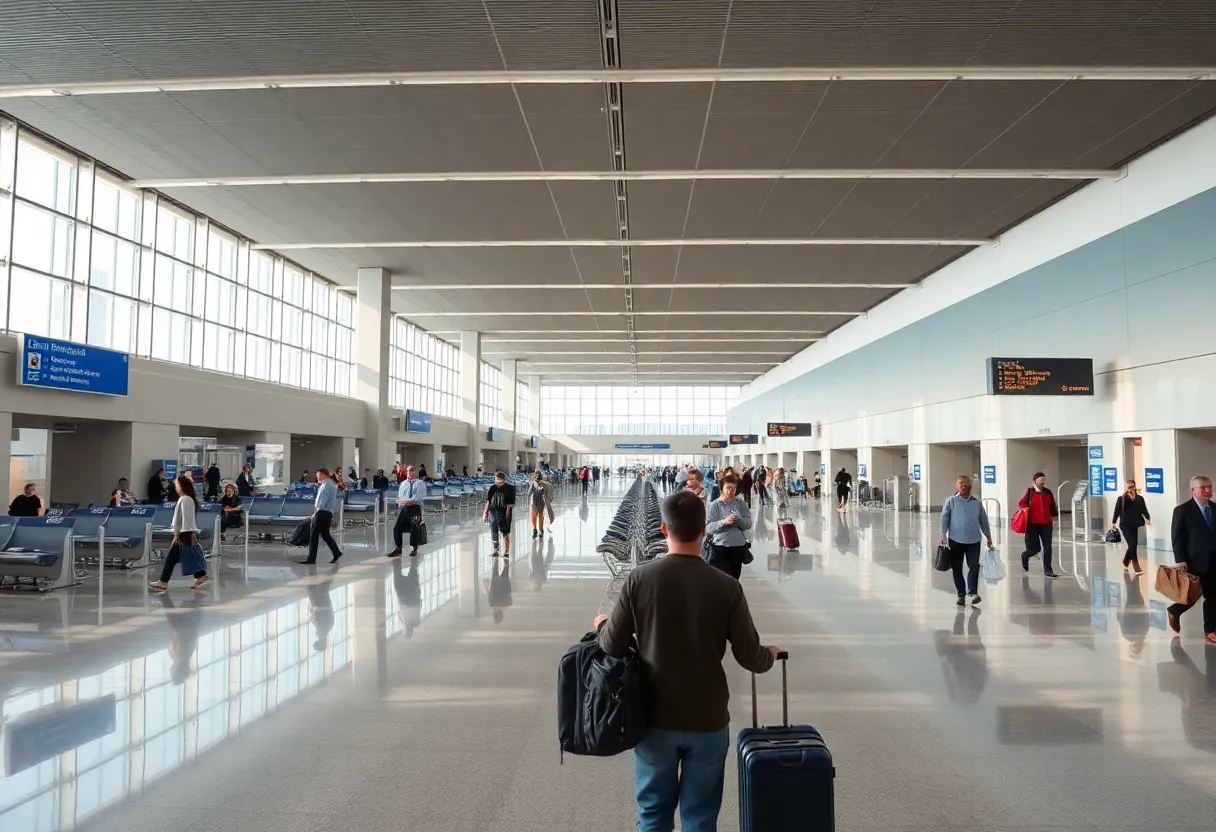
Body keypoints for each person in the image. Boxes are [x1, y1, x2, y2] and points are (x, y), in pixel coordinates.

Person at [594, 490, 781, 832]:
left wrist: (603, 625)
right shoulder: (726, 587)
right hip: (707, 721)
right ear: (702, 531)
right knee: (700, 816)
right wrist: (769, 655)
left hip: (653, 720)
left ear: (664, 530)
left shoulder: (640, 579)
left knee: (653, 813)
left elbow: (611, 646)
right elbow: (750, 656)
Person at [1167, 475, 1216, 642]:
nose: (1208, 490)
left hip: (1214, 559)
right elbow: (1177, 536)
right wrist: (1180, 559)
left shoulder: (1215, 508)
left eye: (1209, 487)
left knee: (1213, 595)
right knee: (1192, 594)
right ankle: (1175, 610)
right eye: (1203, 488)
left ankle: (1210, 630)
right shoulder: (1182, 510)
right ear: (1193, 491)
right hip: (1194, 560)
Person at [939, 475, 994, 607]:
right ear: (956, 487)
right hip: (955, 541)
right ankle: (961, 594)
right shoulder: (951, 501)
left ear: (970, 486)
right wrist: (943, 535)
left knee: (974, 566)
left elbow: (983, 521)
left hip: (973, 541)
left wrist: (988, 537)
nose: (963, 485)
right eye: (960, 483)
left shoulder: (977, 503)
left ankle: (973, 593)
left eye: (966, 484)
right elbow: (944, 518)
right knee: (957, 568)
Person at [149, 475, 208, 591]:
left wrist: (180, 535)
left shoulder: (185, 499)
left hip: (184, 533)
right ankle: (200, 575)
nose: (175, 487)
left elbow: (187, 519)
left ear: (181, 485)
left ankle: (163, 582)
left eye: (177, 484)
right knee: (183, 556)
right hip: (184, 533)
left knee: (175, 556)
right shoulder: (185, 499)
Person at [704, 474, 753, 580]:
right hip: (720, 547)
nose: (731, 491)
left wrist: (739, 519)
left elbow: (748, 525)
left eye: (733, 488)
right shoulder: (715, 505)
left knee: (735, 578)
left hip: (738, 546)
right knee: (721, 578)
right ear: (721, 489)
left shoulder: (740, 504)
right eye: (728, 488)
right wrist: (723, 522)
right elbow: (708, 528)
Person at [1018, 473, 1060, 577]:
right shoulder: (1030, 492)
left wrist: (1054, 519)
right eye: (1040, 480)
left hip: (1046, 524)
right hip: (1032, 524)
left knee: (1047, 547)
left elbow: (1052, 507)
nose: (1042, 482)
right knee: (1035, 549)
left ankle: (1048, 569)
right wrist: (1025, 510)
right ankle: (1025, 555)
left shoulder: (1047, 492)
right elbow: (1021, 503)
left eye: (1043, 480)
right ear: (1035, 481)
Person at [299, 468, 343, 565]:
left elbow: (322, 501)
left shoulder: (326, 486)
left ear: (324, 474)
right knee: (325, 535)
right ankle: (336, 552)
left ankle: (311, 558)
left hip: (322, 513)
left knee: (313, 535)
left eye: (318, 475)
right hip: (327, 513)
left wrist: (315, 512)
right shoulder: (329, 484)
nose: (317, 477)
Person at [1112, 479, 1152, 575]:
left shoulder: (1139, 499)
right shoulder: (1122, 499)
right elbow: (1117, 511)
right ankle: (1136, 567)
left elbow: (1143, 509)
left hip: (1135, 524)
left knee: (1133, 545)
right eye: (1128, 487)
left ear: (1134, 487)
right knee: (1133, 544)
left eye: (1131, 487)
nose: (1130, 489)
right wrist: (1113, 522)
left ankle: (1125, 562)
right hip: (1124, 524)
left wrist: (1148, 517)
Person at [387, 465, 425, 558]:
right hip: (403, 507)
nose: (409, 472)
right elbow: (400, 496)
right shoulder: (403, 483)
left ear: (415, 472)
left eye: (411, 470)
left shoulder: (420, 483)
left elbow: (419, 496)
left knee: (414, 527)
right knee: (397, 527)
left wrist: (409, 501)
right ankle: (398, 547)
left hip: (414, 507)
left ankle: (414, 547)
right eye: (408, 471)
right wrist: (400, 501)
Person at [484, 471, 517, 556]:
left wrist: (507, 516)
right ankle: (496, 550)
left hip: (504, 511)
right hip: (493, 512)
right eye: (497, 479)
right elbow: (488, 501)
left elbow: (510, 505)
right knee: (494, 531)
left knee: (505, 531)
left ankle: (506, 551)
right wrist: (485, 513)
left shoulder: (510, 488)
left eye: (501, 479)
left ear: (504, 479)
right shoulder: (492, 488)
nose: (499, 480)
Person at [529, 470, 552, 539]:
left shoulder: (544, 484)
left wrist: (548, 500)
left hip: (541, 502)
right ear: (534, 476)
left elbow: (548, 492)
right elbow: (529, 492)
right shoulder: (533, 483)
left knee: (541, 517)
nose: (537, 476)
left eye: (539, 475)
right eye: (536, 475)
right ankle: (535, 530)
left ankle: (541, 530)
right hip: (534, 502)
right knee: (534, 517)